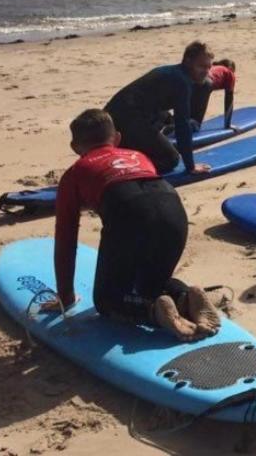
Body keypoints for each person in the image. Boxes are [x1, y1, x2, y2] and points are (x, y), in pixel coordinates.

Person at [43, 109, 221, 341]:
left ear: (75, 147)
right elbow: (146, 199)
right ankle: (185, 295)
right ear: (116, 138)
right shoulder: (138, 156)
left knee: (108, 301)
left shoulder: (75, 173)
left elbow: (66, 240)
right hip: (172, 207)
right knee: (149, 283)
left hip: (126, 209)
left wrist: (66, 297)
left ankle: (153, 312)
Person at [104, 41, 214, 175]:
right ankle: (124, 168)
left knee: (164, 121)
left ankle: (127, 148)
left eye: (209, 67)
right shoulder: (182, 82)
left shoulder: (174, 72)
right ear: (188, 61)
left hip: (117, 115)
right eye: (202, 66)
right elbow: (182, 125)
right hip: (125, 119)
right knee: (171, 159)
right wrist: (190, 166)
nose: (206, 72)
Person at [191, 58, 237, 129]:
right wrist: (228, 125)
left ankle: (171, 122)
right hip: (206, 83)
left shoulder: (212, 68)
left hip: (192, 79)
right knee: (196, 124)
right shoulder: (229, 73)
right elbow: (229, 101)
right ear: (231, 69)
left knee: (187, 111)